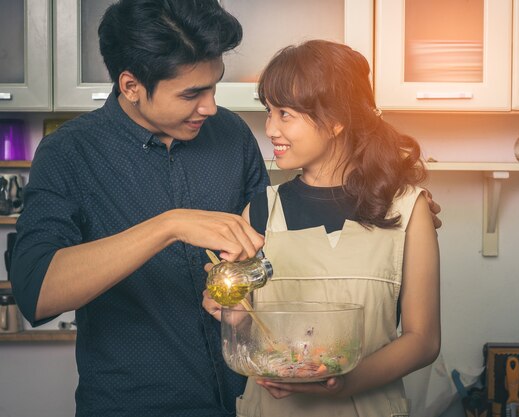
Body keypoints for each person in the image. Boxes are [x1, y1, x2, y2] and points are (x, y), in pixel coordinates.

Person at [10, 1, 269, 416]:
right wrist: (170, 225)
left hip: (244, 402)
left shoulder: (232, 136)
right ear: (130, 86)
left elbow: (269, 257)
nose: (210, 107)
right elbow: (36, 292)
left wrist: (246, 288)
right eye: (191, 93)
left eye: (214, 86)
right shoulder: (69, 153)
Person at [203, 39, 441, 417]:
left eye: (285, 114)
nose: (270, 129)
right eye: (268, 112)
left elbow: (423, 340)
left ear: (335, 120)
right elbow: (248, 331)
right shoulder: (262, 210)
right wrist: (230, 312)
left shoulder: (409, 209)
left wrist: (347, 382)